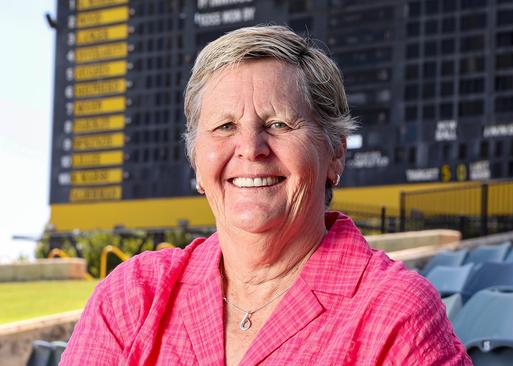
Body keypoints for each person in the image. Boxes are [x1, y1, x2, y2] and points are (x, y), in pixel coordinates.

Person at [61, 25, 470, 365]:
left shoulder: (396, 312)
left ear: (336, 152)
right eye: (224, 127)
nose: (251, 148)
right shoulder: (132, 296)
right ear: (196, 162)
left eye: (278, 124)